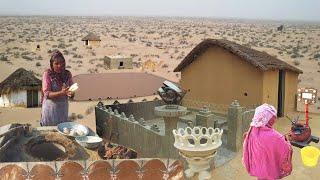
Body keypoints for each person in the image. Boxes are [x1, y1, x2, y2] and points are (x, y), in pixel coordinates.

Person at [242, 104, 293, 180]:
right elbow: (286, 149)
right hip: (269, 169)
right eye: (273, 118)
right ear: (269, 119)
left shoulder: (252, 129)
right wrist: (287, 141)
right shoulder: (275, 136)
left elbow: (247, 140)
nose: (274, 120)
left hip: (258, 166)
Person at [40, 50, 75, 126]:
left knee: (62, 130)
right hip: (50, 111)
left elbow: (72, 91)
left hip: (63, 110)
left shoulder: (67, 74)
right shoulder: (47, 74)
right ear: (52, 65)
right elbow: (46, 94)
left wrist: (71, 93)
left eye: (62, 63)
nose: (60, 65)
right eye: (56, 63)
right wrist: (61, 93)